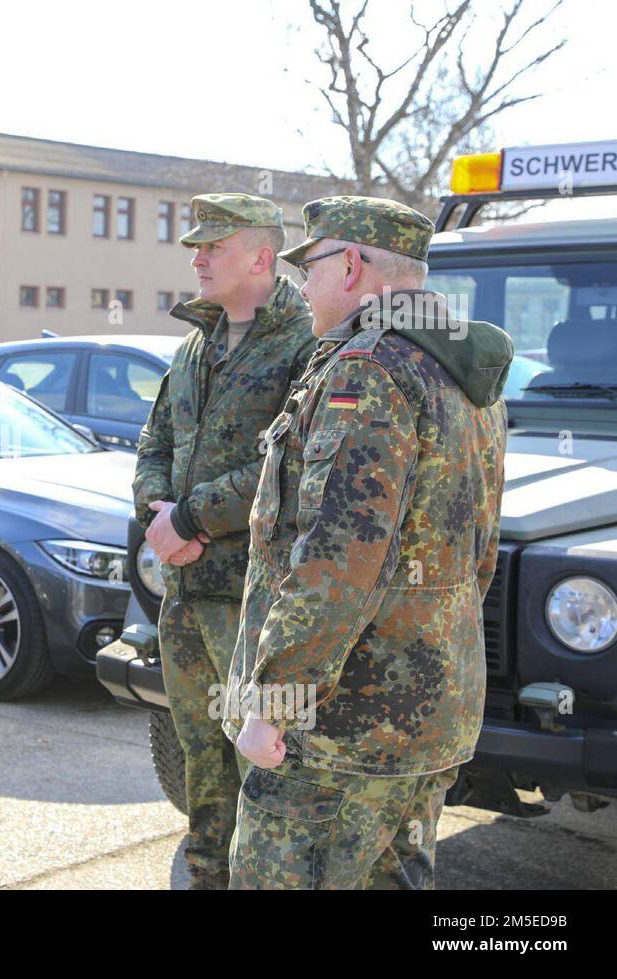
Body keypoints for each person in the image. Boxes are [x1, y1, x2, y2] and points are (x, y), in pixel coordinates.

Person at [225, 196, 511, 889]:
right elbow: (479, 553)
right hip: (430, 712)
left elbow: (336, 561)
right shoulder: (464, 373)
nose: (302, 285)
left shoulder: (369, 370)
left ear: (351, 264)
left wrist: (277, 702)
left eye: (311, 266)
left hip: (342, 731)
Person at [133, 193, 315, 889]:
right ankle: (206, 872)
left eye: (214, 246)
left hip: (254, 602)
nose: (199, 258)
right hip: (185, 595)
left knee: (265, 767)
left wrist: (191, 519)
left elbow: (289, 461)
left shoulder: (306, 342)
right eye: (196, 248)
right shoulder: (194, 344)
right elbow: (156, 442)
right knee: (198, 760)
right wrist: (157, 514)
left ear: (262, 257)